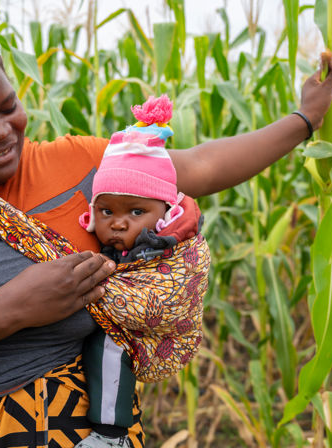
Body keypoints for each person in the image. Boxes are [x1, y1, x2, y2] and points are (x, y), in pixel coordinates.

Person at [0, 21, 332, 448]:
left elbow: (201, 166)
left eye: (7, 107)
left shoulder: (83, 165)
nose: (0, 131)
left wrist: (304, 117)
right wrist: (13, 307)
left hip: (97, 431)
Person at [76, 94, 210, 448]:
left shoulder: (165, 245)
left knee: (108, 346)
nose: (118, 224)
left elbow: (162, 294)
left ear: (165, 211)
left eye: (136, 213)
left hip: (156, 338)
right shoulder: (123, 241)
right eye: (106, 212)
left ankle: (110, 434)